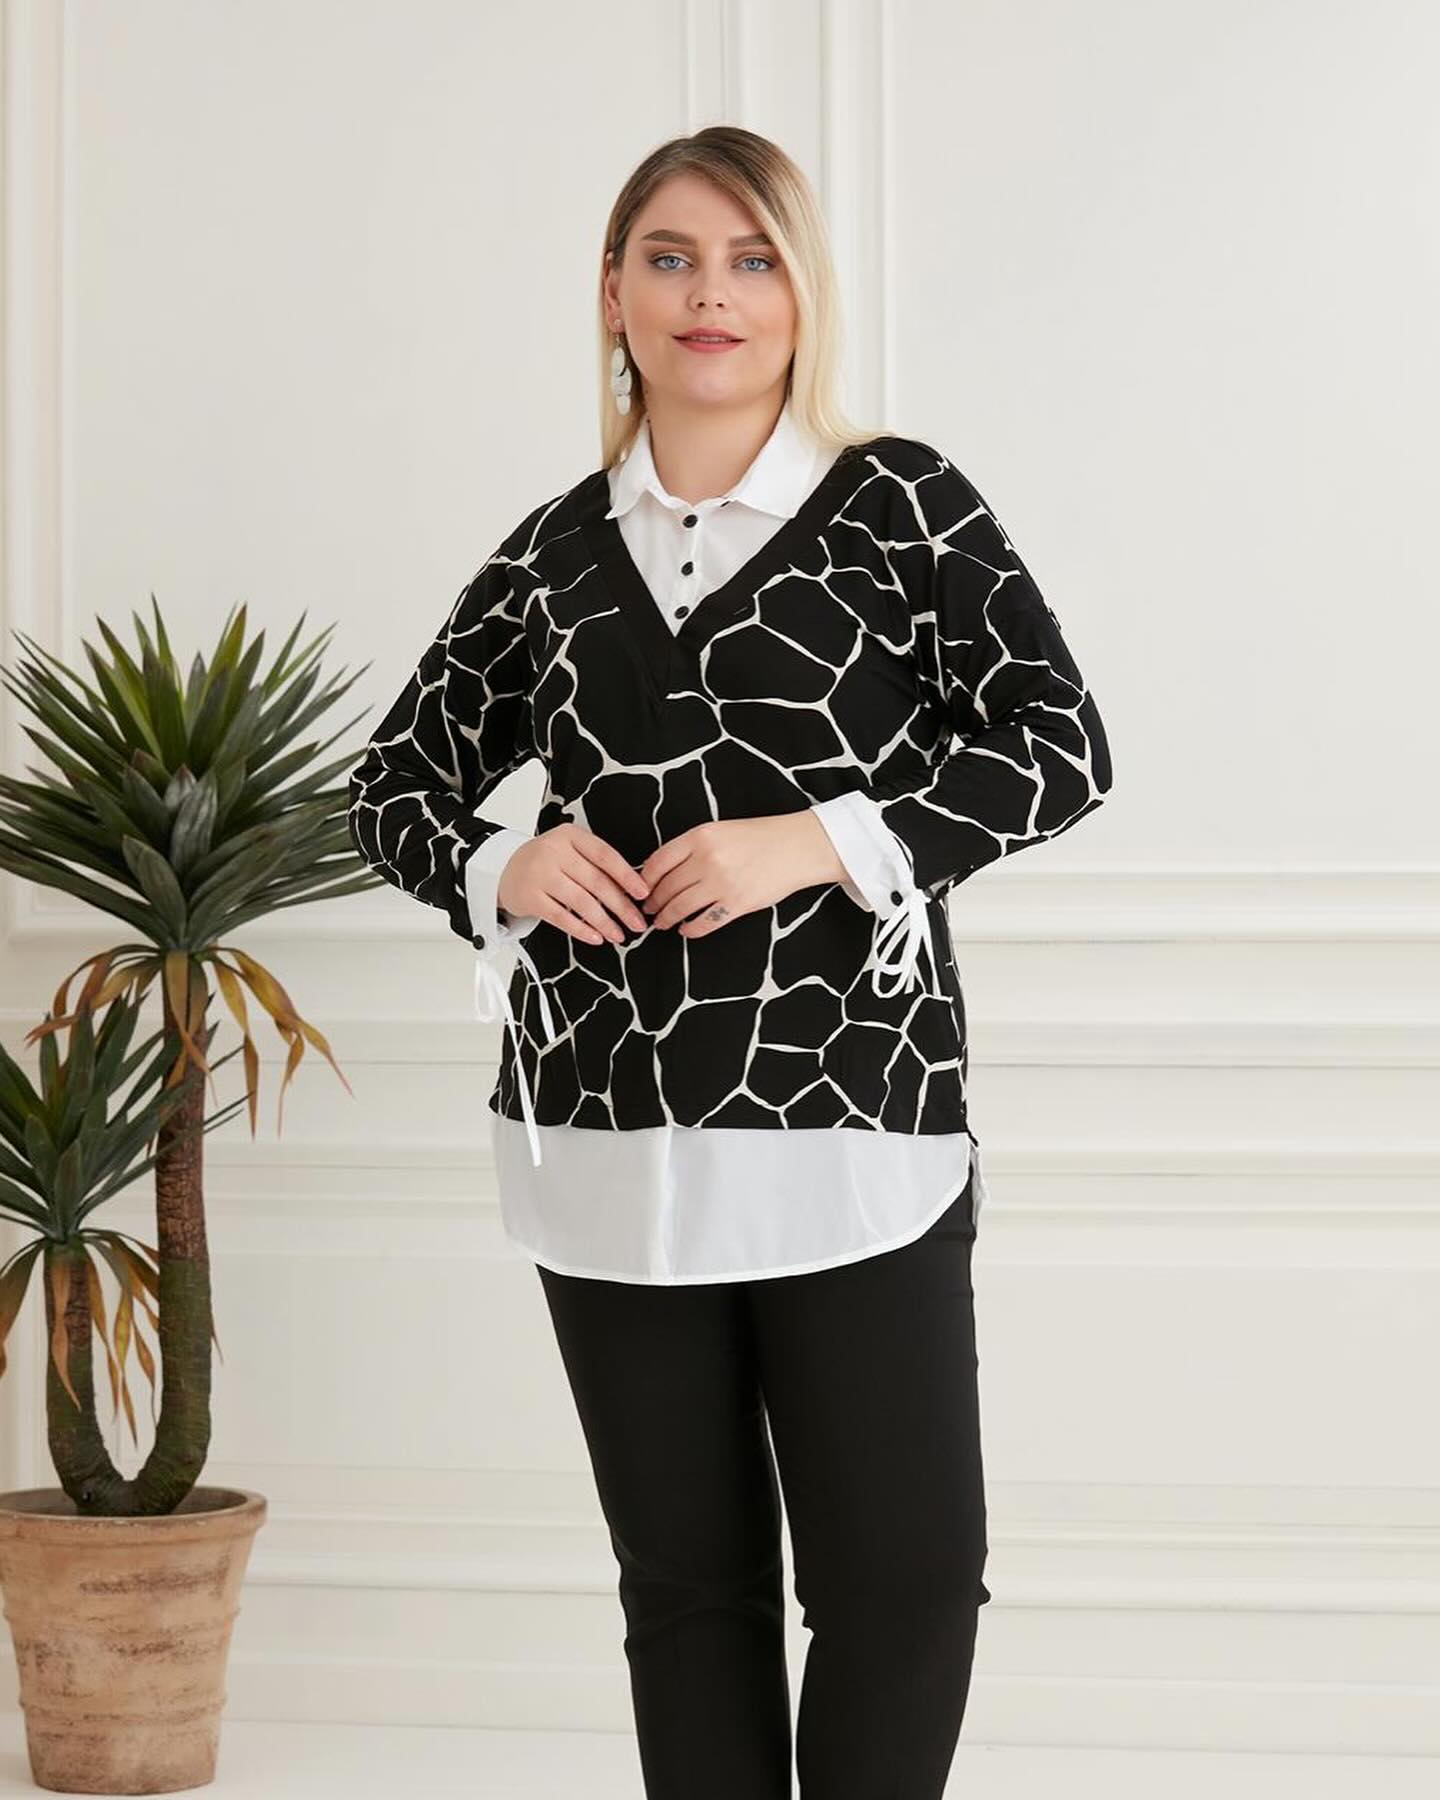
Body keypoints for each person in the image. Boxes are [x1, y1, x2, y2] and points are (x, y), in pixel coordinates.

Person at [348, 125, 1112, 1800]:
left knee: (906, 1581)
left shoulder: (899, 507)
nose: (713, 294)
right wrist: (502, 864)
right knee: (686, 1597)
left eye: (753, 258)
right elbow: (393, 784)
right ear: (613, 292)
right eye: (673, 257)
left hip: (852, 1125)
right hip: (603, 1140)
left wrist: (820, 840)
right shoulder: (553, 553)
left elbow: (1060, 745)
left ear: (801, 291)